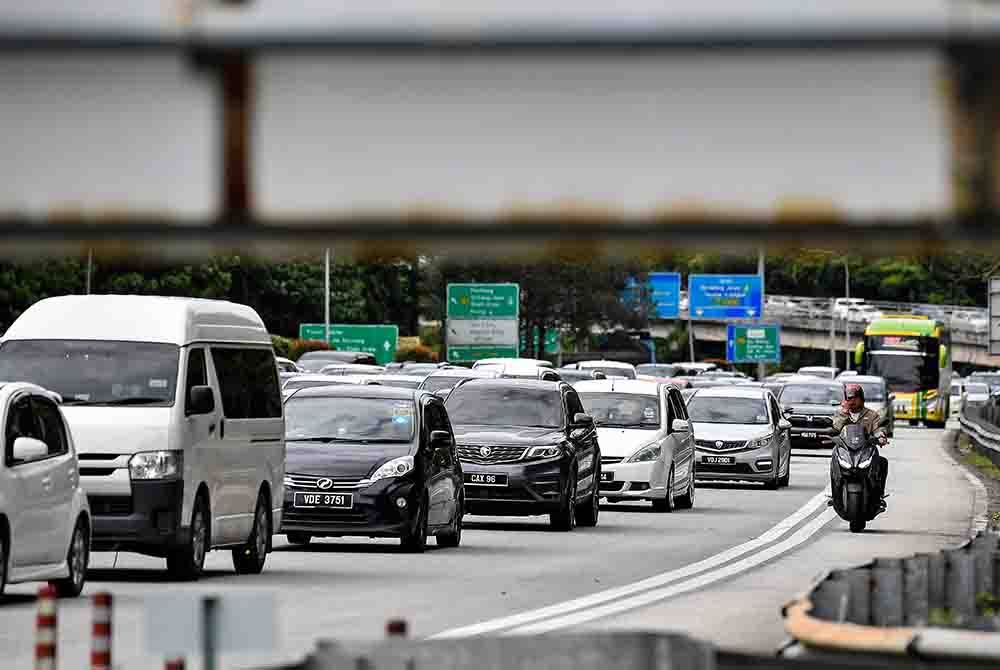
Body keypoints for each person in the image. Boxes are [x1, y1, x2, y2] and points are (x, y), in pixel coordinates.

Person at [832, 383, 889, 511]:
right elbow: (835, 427)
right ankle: (835, 493)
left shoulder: (872, 414)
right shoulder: (841, 414)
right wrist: (844, 413)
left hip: (865, 450)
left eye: (854, 398)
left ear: (861, 398)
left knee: (882, 463)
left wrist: (881, 436)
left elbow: (878, 428)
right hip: (846, 450)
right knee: (834, 458)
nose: (851, 401)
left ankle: (878, 495)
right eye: (849, 398)